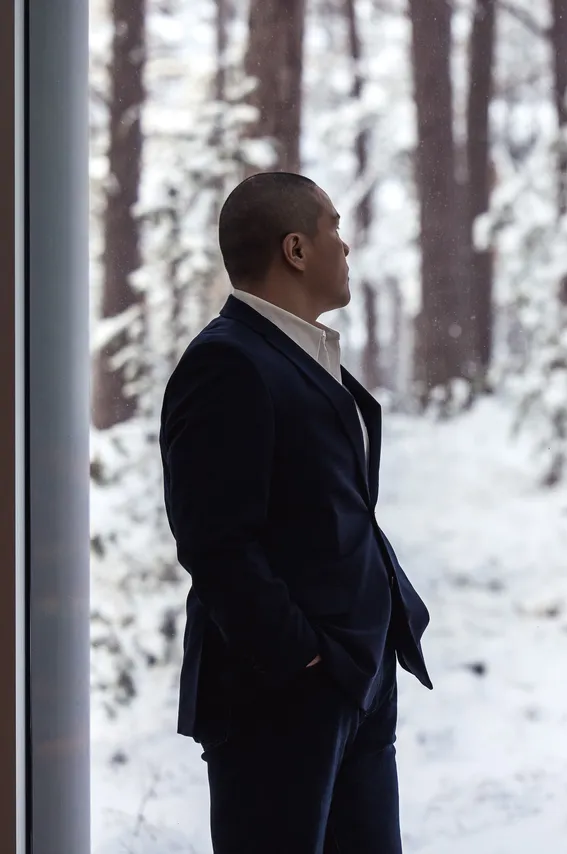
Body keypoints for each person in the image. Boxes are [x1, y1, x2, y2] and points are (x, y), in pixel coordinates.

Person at [158, 171, 433, 853]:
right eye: (334, 228)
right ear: (296, 250)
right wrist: (304, 658)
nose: (347, 247)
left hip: (354, 681)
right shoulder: (226, 364)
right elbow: (216, 543)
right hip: (280, 695)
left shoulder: (295, 354)